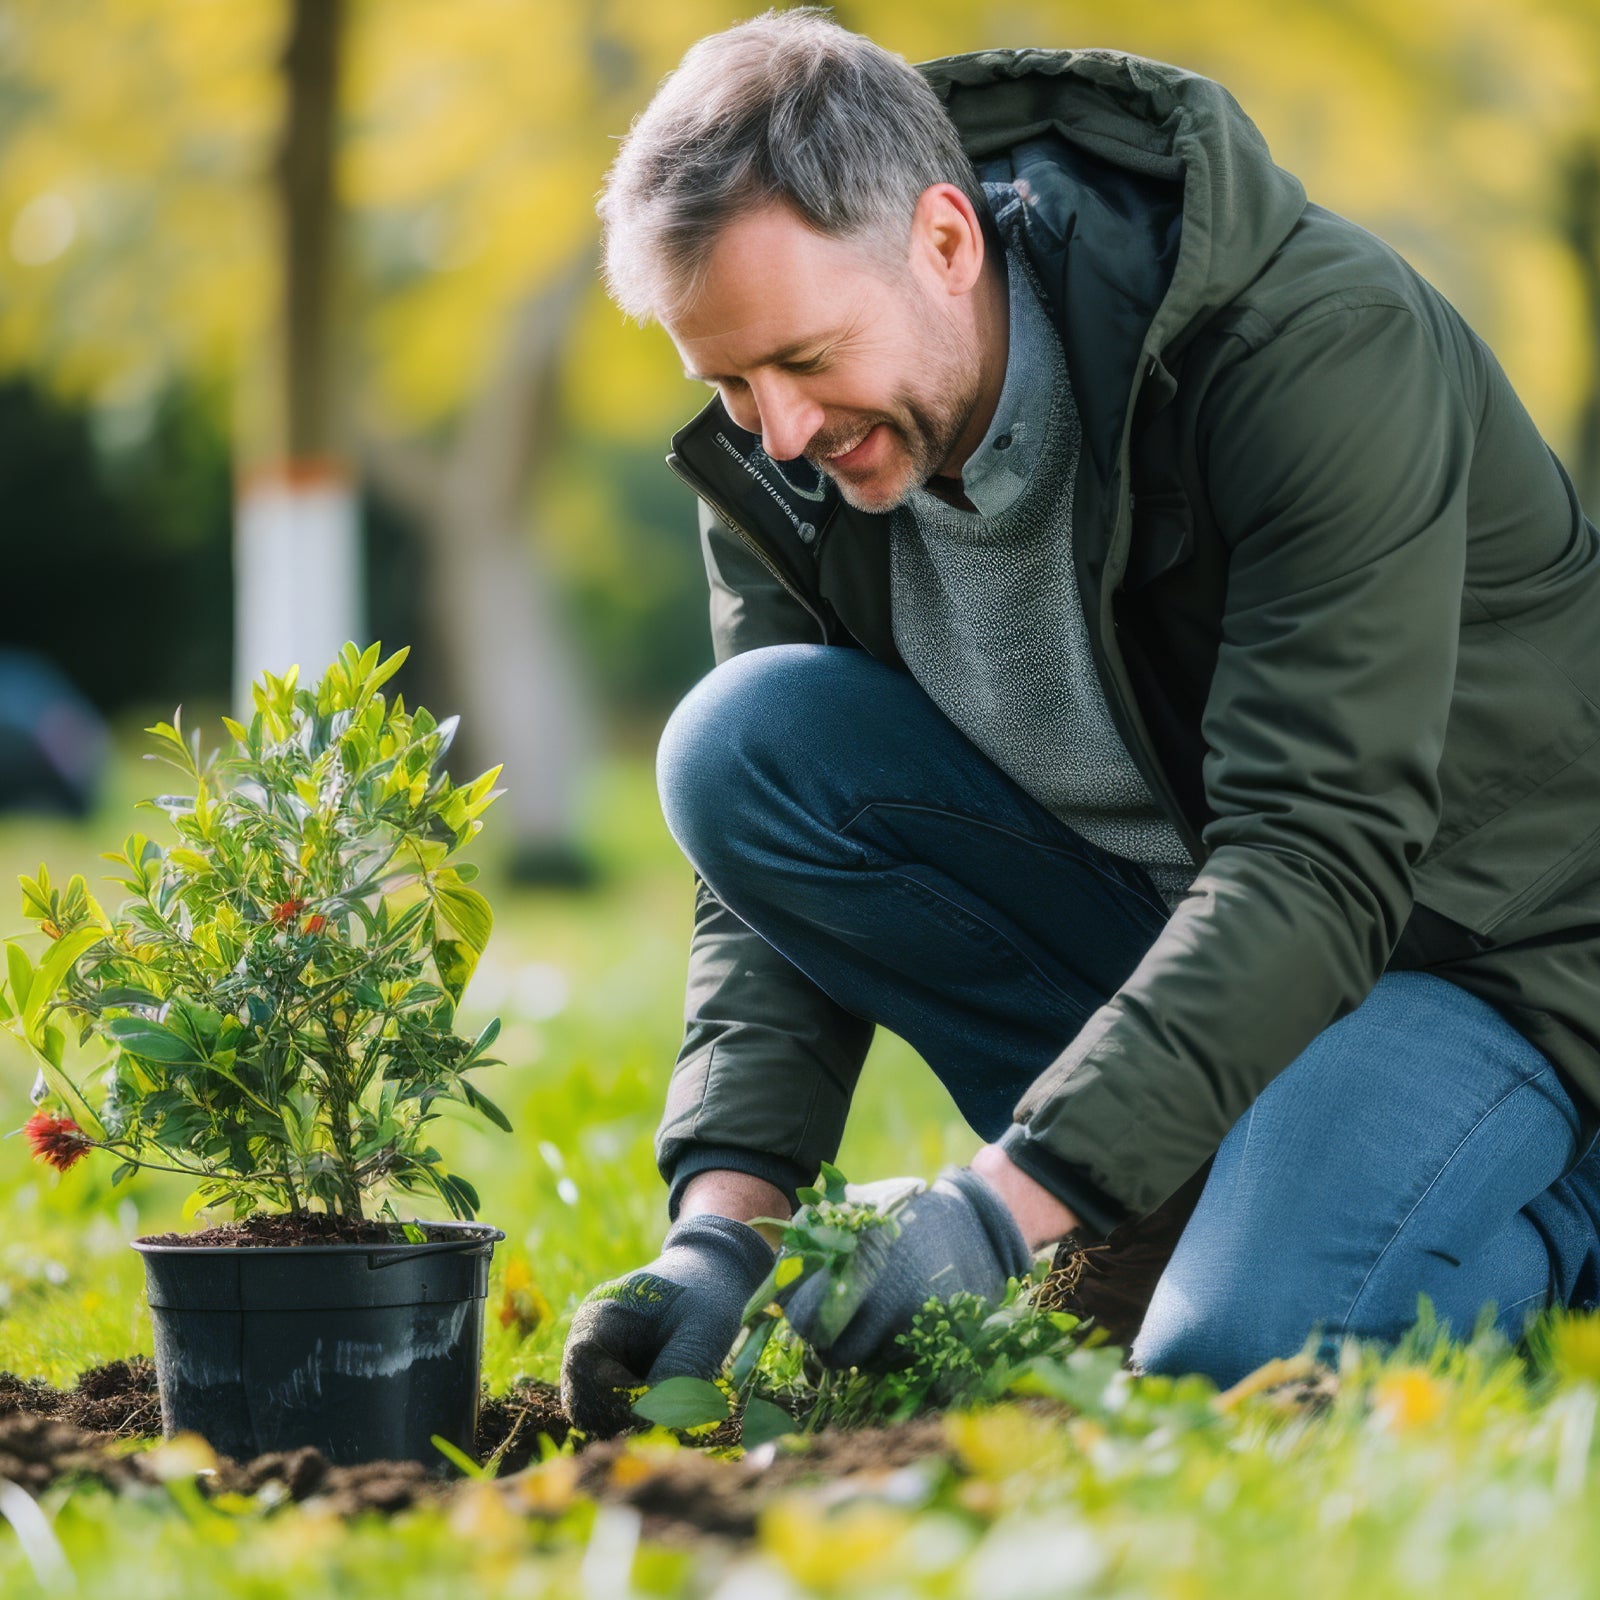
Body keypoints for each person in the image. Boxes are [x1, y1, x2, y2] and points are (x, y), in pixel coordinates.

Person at [559, 8, 1600, 1436]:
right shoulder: (792, 454)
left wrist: (998, 1214)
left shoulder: (1305, 352)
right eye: (729, 382)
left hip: (1479, 960)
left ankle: (1542, 1223)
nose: (779, 429)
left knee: (1231, 1366)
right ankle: (1187, 1188)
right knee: (744, 742)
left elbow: (1318, 854)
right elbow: (764, 901)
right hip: (1188, 947)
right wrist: (723, 1227)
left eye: (802, 359)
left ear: (944, 239)